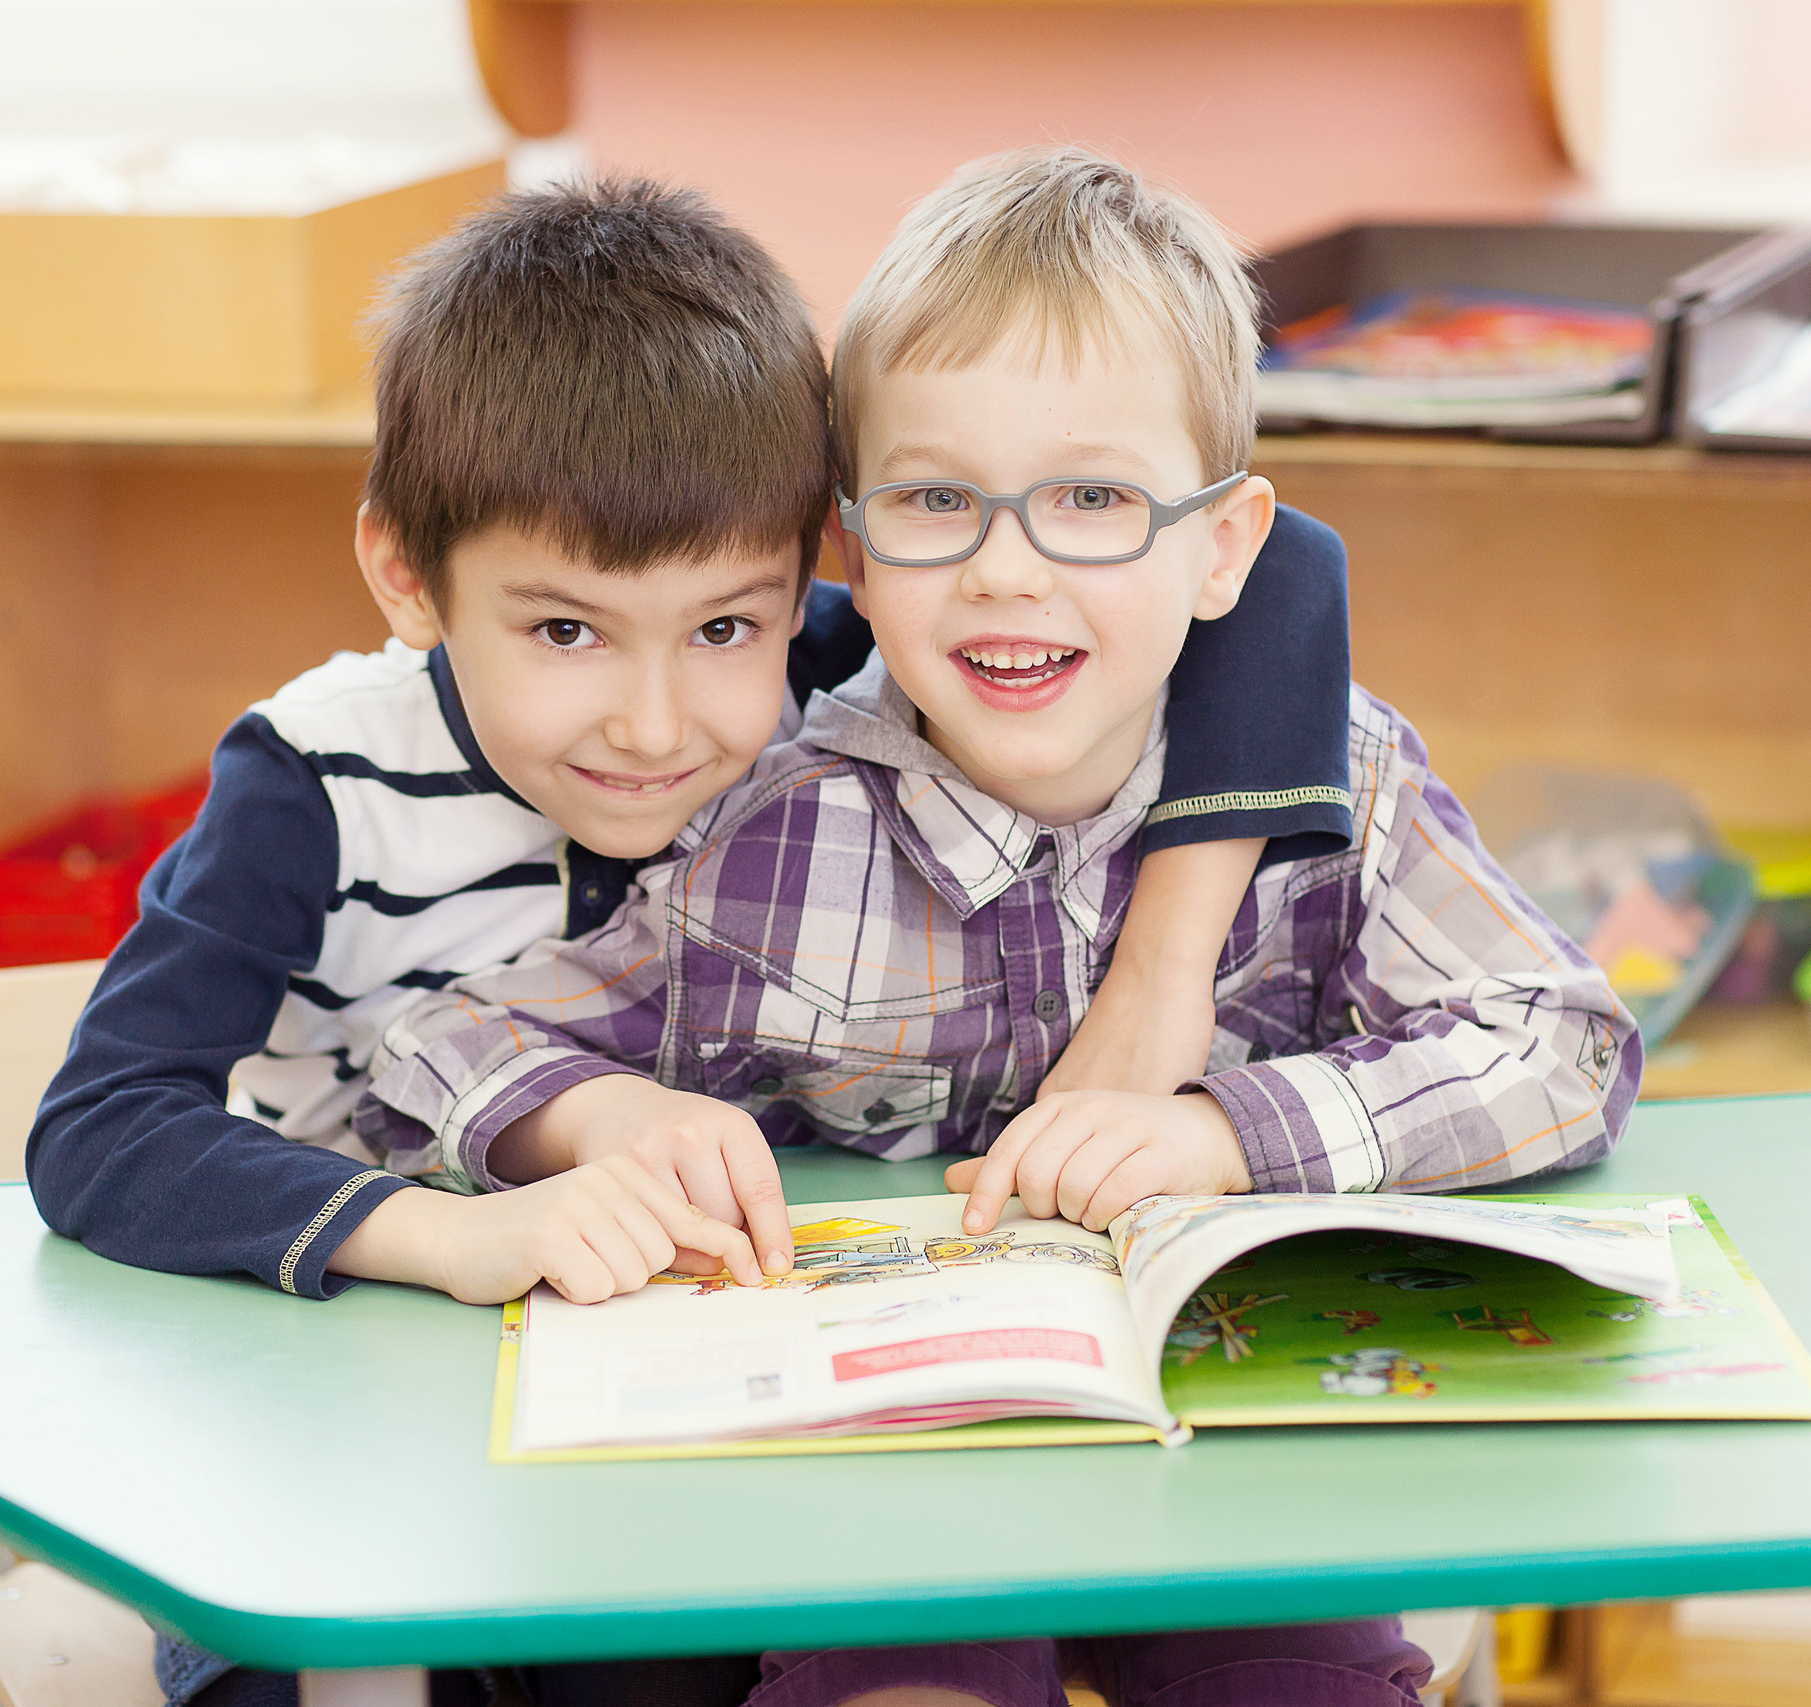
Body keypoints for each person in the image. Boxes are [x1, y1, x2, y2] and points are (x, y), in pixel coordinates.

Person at [25, 178, 1356, 1707]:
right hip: (335, 1385)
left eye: (724, 626)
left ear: (817, 575)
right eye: (564, 631)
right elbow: (101, 1128)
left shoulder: (814, 680)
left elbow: (1279, 570)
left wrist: (1167, 962)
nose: (656, 726)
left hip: (664, 1408)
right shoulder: (317, 780)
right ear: (406, 574)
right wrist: (452, 1237)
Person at [360, 147, 1642, 1707]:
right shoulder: (782, 829)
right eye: (935, 501)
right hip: (896, 1504)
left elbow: (1568, 1045)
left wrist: (1226, 1137)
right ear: (851, 548)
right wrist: (597, 1118)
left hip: (1238, 1477)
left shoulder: (1347, 790)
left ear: (1226, 547)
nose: (1006, 569)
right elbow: (434, 1049)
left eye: (1094, 498)